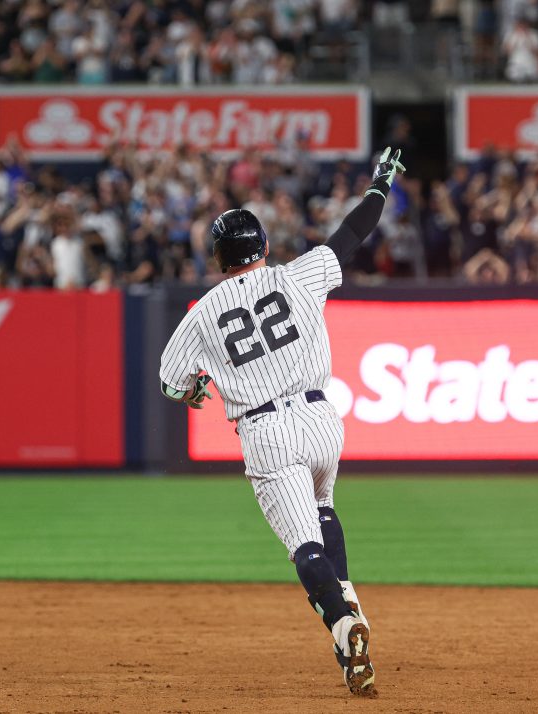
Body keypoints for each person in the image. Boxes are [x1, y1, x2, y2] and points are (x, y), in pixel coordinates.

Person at [158, 148, 407, 698]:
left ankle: (344, 624)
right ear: (264, 248)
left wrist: (199, 387)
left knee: (304, 547)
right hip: (321, 418)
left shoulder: (201, 312)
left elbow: (172, 381)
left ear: (220, 258)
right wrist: (380, 186)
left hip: (267, 431)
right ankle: (348, 612)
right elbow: (351, 234)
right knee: (324, 511)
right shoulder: (301, 274)